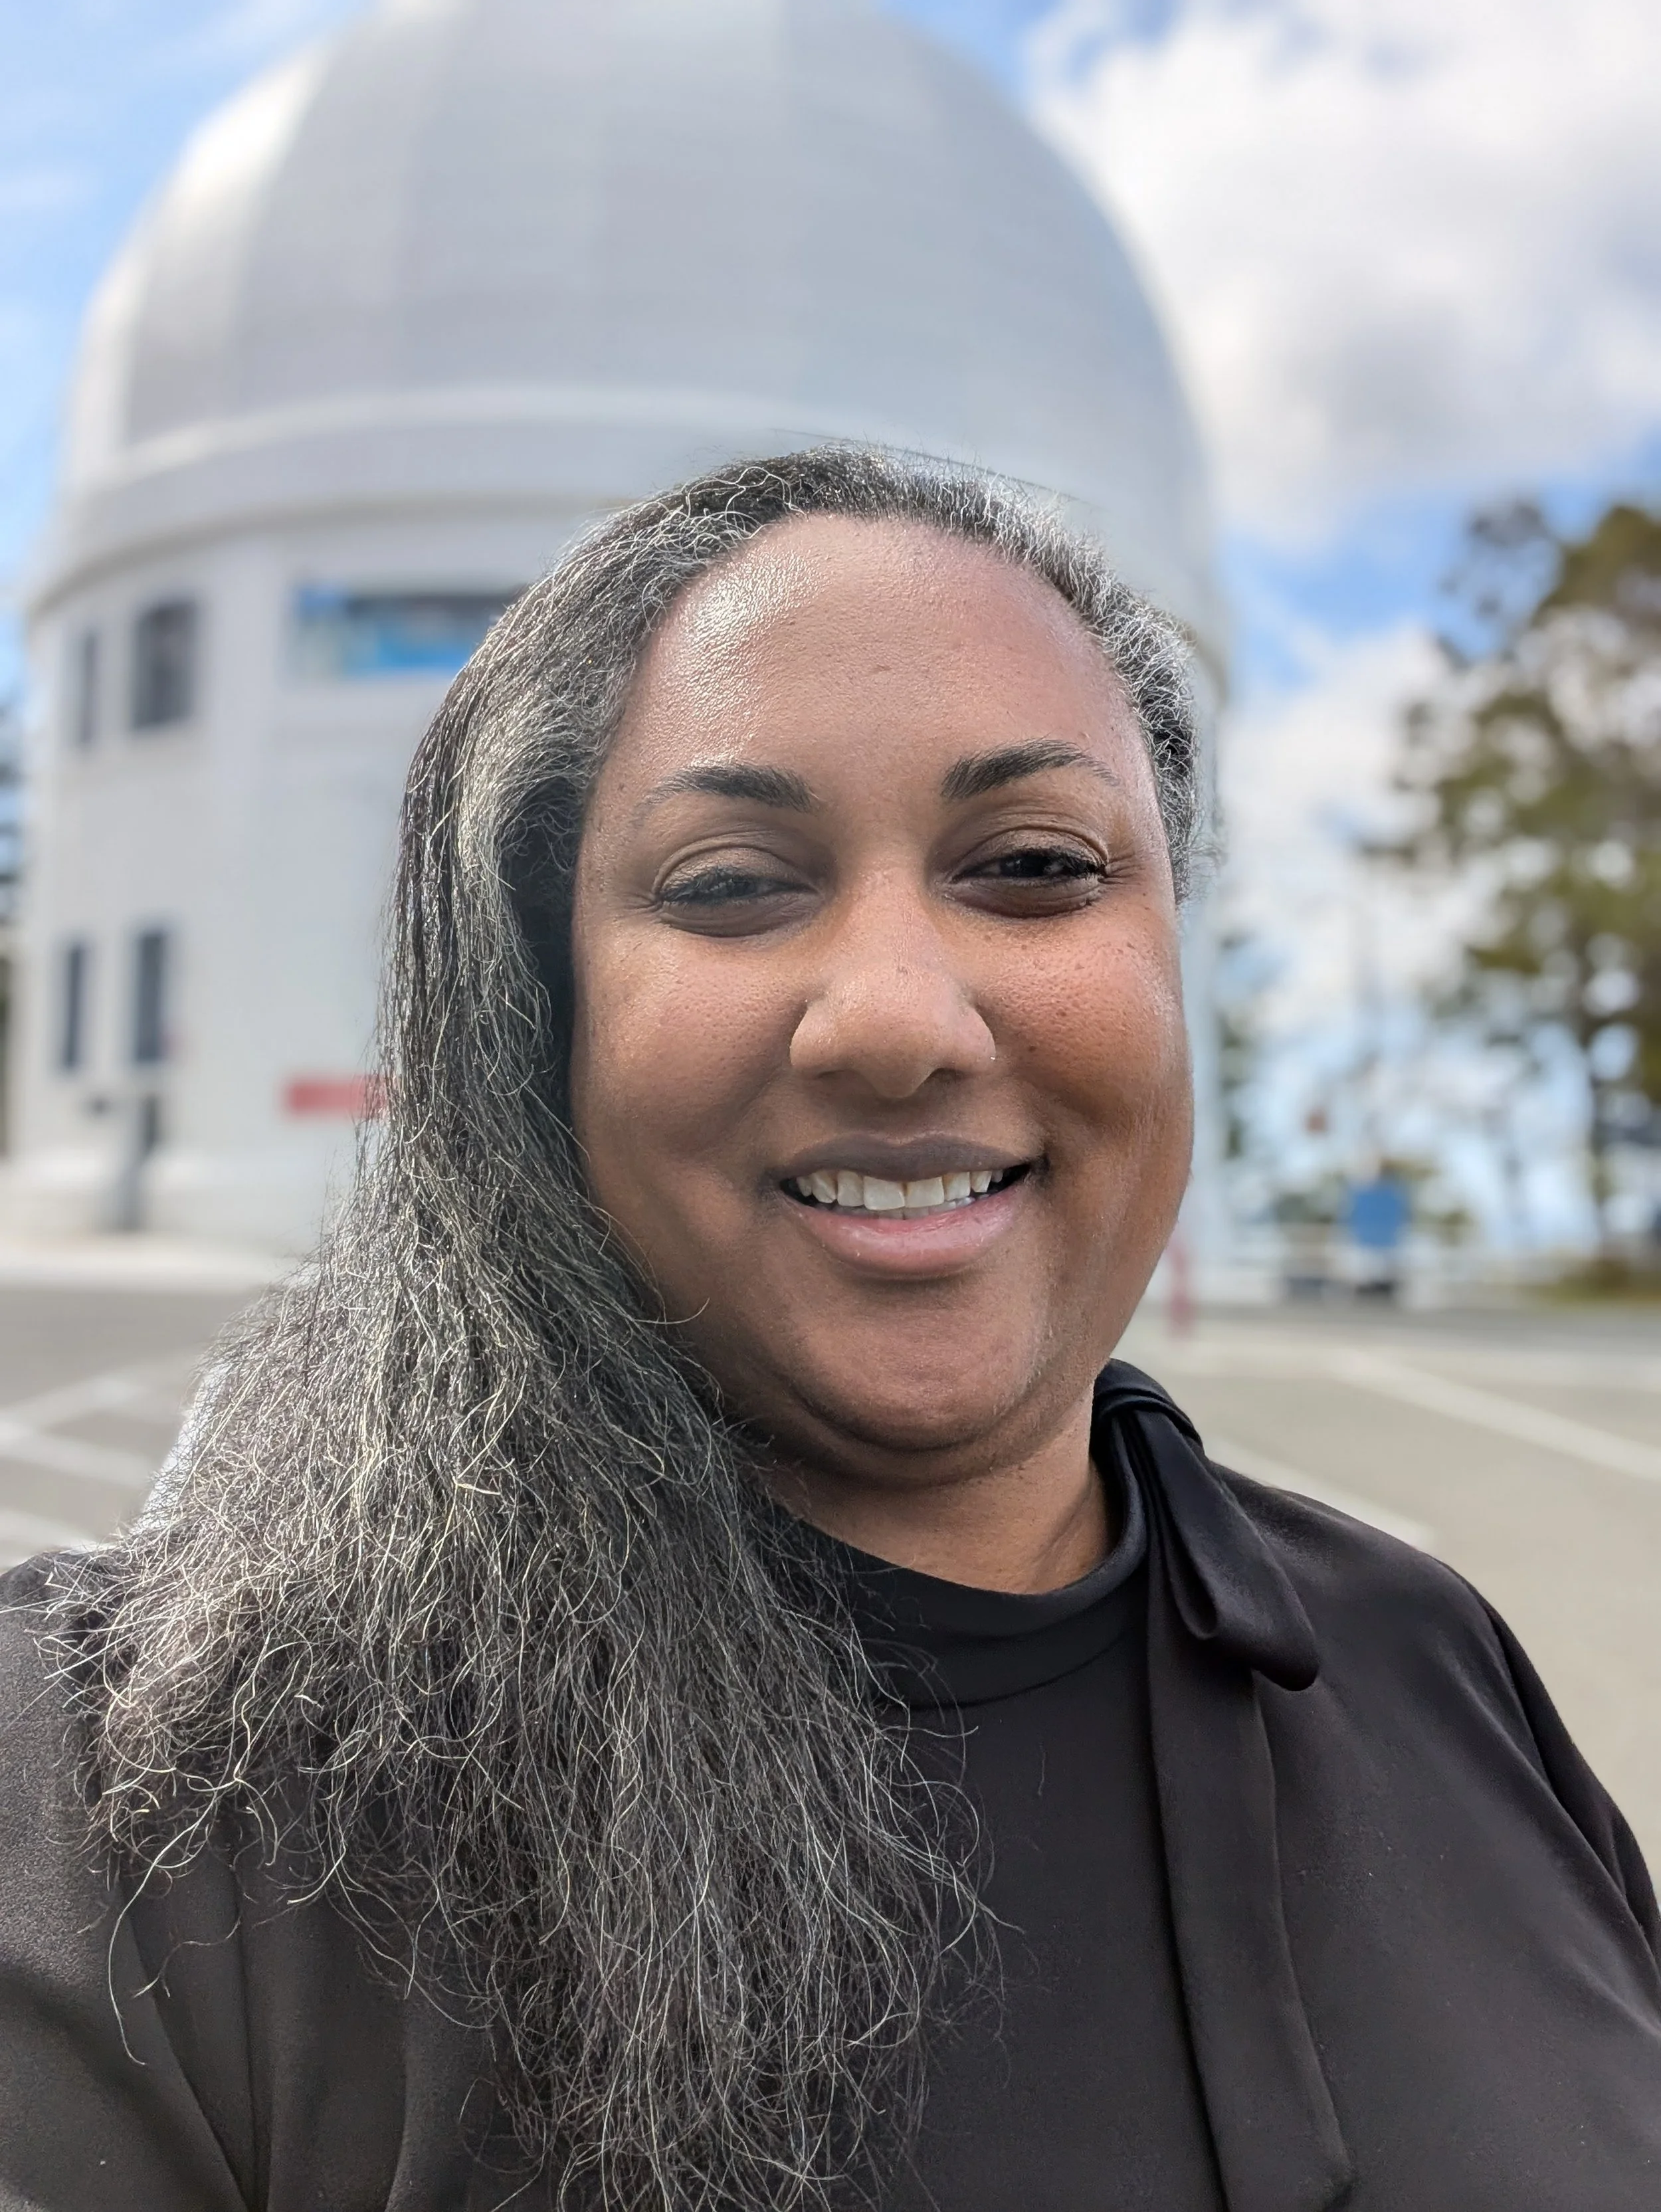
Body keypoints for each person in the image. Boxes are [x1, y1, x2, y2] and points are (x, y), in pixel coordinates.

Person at [3, 448, 1659, 2212]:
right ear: (530, 1011)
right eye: (730, 880)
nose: (894, 1018)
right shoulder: (148, 1805)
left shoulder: (1429, 1664)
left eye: (1030, 862)